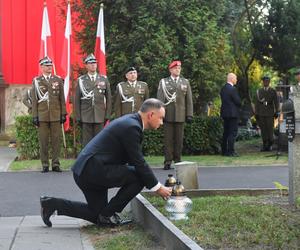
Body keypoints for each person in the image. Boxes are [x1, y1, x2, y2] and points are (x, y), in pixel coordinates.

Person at [39, 98, 172, 227]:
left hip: (87, 170)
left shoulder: (130, 122)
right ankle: (109, 214)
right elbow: (139, 162)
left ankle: (50, 204)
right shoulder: (132, 127)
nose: (161, 122)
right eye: (161, 118)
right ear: (151, 114)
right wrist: (158, 187)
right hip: (92, 171)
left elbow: (133, 160)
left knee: (97, 215)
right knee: (139, 178)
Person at [31, 56, 66, 172]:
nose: (49, 67)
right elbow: (34, 100)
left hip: (56, 115)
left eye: (50, 65)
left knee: (56, 141)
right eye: (47, 65)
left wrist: (63, 114)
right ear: (41, 67)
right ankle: (45, 164)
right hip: (42, 116)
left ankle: (56, 164)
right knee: (43, 141)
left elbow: (62, 98)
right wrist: (35, 116)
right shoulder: (36, 81)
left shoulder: (58, 80)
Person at [157, 60, 193, 170]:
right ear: (171, 70)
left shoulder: (185, 82)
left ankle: (178, 160)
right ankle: (167, 161)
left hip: (180, 115)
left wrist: (189, 114)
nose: (178, 70)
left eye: (179, 68)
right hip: (168, 114)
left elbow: (189, 100)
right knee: (168, 140)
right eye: (176, 68)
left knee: (179, 140)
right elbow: (160, 99)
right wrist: (160, 114)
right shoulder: (164, 82)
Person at [75, 53, 112, 147]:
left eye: (95, 63)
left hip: (100, 115)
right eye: (90, 63)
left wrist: (107, 115)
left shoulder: (103, 79)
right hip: (86, 115)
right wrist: (78, 116)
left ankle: (98, 160)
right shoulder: (81, 80)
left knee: (99, 141)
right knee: (87, 142)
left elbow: (109, 98)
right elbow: (77, 100)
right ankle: (87, 161)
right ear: (86, 65)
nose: (93, 65)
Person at [255, 76, 279, 151]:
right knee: (263, 129)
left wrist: (276, 112)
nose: (266, 82)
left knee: (270, 129)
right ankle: (265, 144)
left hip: (270, 113)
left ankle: (270, 144)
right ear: (263, 82)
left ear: (269, 82)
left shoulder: (273, 91)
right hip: (261, 113)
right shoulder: (259, 91)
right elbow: (257, 103)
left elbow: (276, 102)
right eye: (265, 81)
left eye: (267, 81)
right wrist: (256, 113)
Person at [220, 73, 241, 157]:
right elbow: (238, 101)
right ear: (231, 79)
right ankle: (231, 151)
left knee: (226, 132)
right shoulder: (233, 89)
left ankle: (224, 150)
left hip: (225, 113)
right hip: (233, 114)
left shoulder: (223, 88)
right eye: (235, 78)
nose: (236, 80)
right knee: (232, 133)